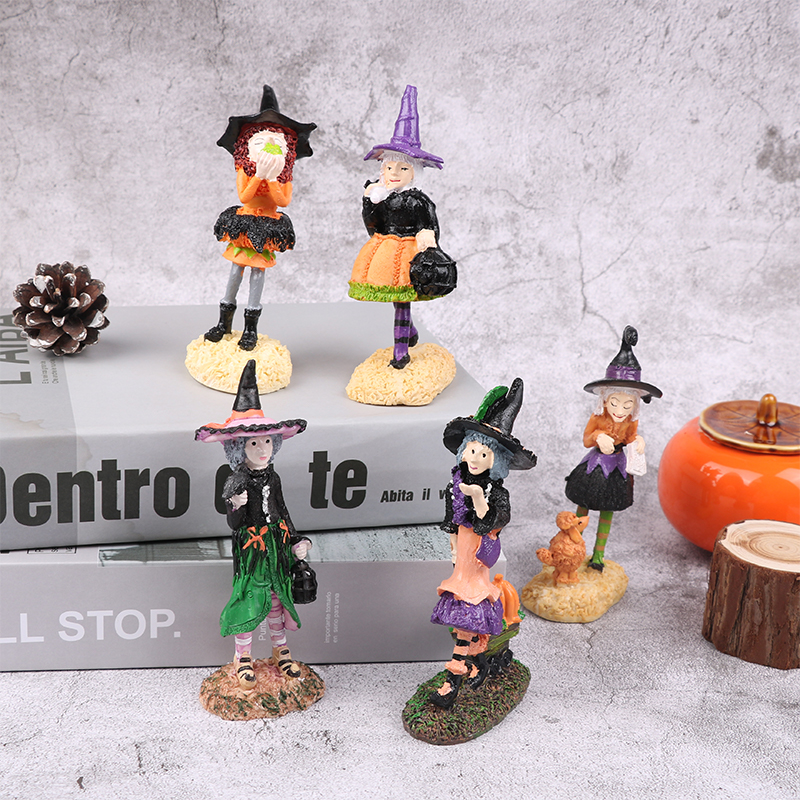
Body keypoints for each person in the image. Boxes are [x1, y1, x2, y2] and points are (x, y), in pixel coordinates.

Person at [195, 360, 314, 689]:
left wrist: (296, 539)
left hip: (277, 545)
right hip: (251, 550)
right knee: (249, 597)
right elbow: (233, 523)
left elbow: (282, 510)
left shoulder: (273, 477)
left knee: (278, 598)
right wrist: (235, 506)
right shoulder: (236, 480)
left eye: (267, 442)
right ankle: (242, 657)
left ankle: (281, 650)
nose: (262, 449)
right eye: (253, 443)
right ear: (238, 447)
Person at [429, 378, 536, 708]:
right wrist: (452, 547)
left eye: (484, 453)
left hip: (477, 564)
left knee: (465, 619)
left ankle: (453, 679)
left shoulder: (496, 493)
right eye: (472, 449)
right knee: (462, 619)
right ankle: (477, 660)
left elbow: (492, 522)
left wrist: (478, 498)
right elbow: (452, 522)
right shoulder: (456, 485)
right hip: (460, 561)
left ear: (496, 461)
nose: (475, 458)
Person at [349, 85, 456, 369]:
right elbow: (373, 228)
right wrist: (369, 203)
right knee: (397, 300)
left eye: (403, 169)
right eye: (389, 168)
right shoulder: (381, 196)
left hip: (409, 253)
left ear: (414, 173)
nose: (394, 173)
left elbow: (430, 225)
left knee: (403, 301)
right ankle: (409, 332)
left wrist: (427, 235)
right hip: (386, 251)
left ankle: (400, 352)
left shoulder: (418, 200)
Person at [204, 85, 316, 350]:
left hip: (267, 224)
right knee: (235, 270)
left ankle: (250, 328)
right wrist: (259, 176)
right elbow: (244, 195)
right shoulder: (244, 171)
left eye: (277, 142)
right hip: (245, 222)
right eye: (261, 141)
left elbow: (283, 201)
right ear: (246, 146)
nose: (270, 145)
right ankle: (223, 323)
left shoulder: (284, 178)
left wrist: (273, 178)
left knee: (258, 272)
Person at [565, 326, 662, 571]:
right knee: (583, 504)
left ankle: (598, 555)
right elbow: (586, 439)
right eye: (615, 403)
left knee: (608, 508)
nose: (620, 410)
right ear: (605, 399)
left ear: (634, 405)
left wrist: (638, 441)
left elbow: (630, 437)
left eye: (627, 405)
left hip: (617, 467)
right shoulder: (597, 417)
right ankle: (573, 549)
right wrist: (599, 437)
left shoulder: (631, 420)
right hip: (595, 465)